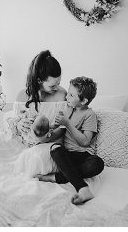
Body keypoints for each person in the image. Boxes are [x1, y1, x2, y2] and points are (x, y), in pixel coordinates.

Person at [36, 76, 103, 205]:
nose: (67, 97)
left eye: (71, 95)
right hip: (68, 155)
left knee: (97, 163)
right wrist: (46, 134)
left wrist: (67, 123)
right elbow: (59, 130)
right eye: (68, 93)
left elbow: (85, 142)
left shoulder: (90, 115)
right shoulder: (67, 109)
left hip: (84, 156)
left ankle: (60, 179)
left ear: (83, 100)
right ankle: (79, 186)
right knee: (55, 148)